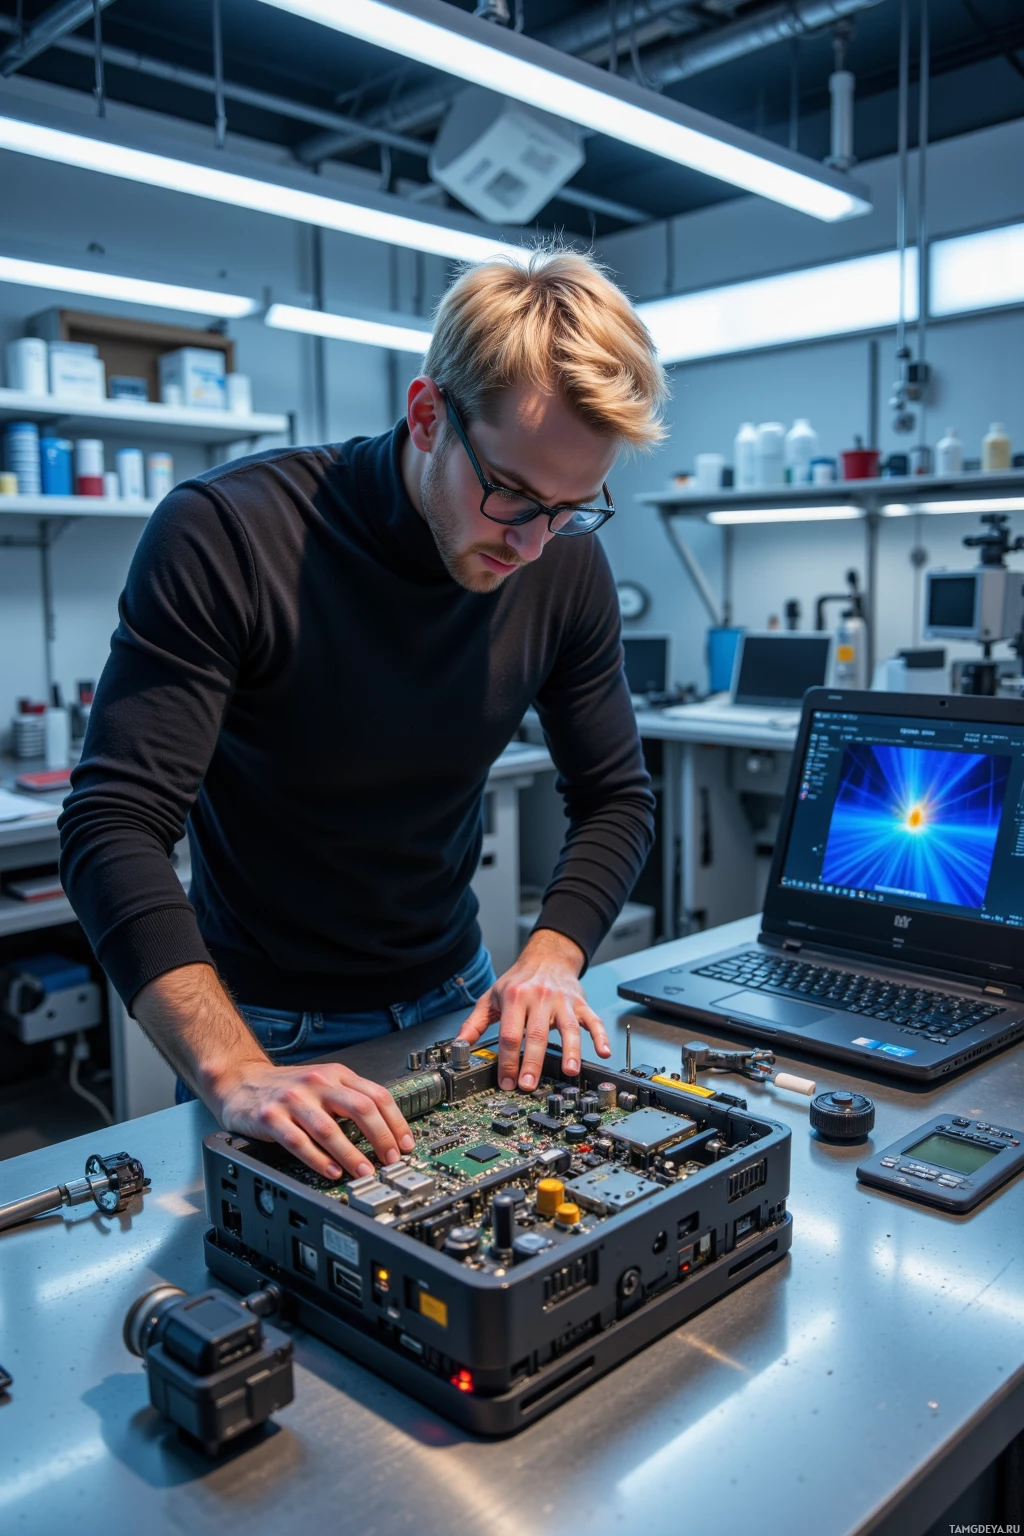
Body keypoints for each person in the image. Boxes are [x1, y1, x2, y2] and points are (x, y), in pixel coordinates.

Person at [59, 246, 667, 1182]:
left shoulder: (562, 565)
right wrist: (234, 1072)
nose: (533, 542)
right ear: (428, 415)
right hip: (262, 1027)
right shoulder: (229, 533)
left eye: (571, 509)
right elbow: (112, 824)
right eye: (509, 494)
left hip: (460, 995)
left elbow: (618, 796)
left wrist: (553, 952)